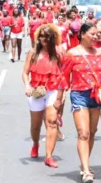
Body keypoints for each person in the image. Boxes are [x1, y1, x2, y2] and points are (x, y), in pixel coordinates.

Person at [62, 23, 101, 183]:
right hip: (79, 94)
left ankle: (84, 163)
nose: (95, 37)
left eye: (97, 34)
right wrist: (59, 99)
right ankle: (86, 171)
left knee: (92, 132)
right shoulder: (72, 54)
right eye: (92, 34)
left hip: (96, 96)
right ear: (83, 34)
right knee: (83, 133)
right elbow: (63, 76)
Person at [22, 24, 65, 168]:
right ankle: (35, 144)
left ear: (52, 38)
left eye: (46, 37)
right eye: (40, 36)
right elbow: (25, 72)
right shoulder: (33, 53)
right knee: (35, 125)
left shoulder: (59, 53)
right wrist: (27, 85)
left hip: (52, 91)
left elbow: (63, 76)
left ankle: (49, 156)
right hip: (36, 91)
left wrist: (61, 95)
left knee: (51, 122)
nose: (42, 39)